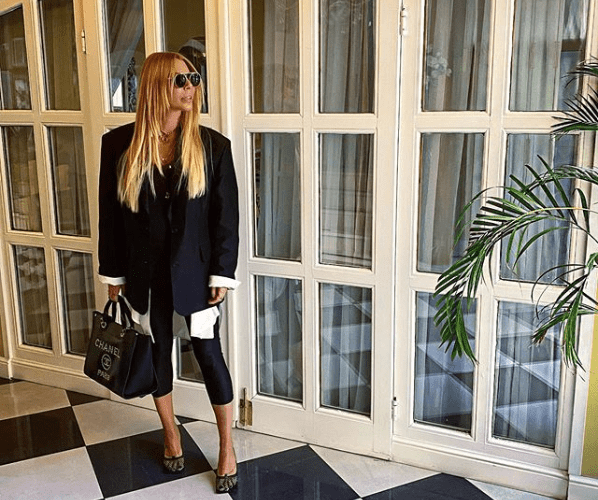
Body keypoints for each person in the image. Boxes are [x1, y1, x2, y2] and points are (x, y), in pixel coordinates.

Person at [97, 51, 239, 494]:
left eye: (194, 78)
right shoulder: (118, 144)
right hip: (144, 276)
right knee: (156, 356)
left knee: (209, 356)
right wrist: (114, 274)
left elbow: (226, 219)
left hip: (196, 276)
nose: (191, 86)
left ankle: (227, 446)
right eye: (181, 79)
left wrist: (221, 274)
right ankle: (171, 435)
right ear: (159, 84)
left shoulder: (213, 146)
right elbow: (110, 216)